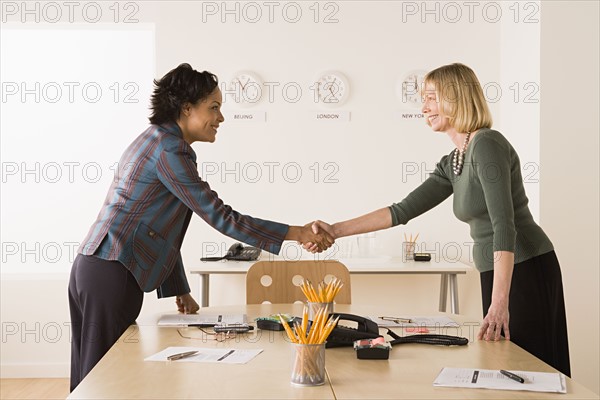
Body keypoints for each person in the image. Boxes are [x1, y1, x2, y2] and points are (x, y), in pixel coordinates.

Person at [68, 63, 333, 391]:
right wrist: (297, 233)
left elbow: (156, 227)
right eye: (214, 107)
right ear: (186, 108)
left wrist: (179, 288)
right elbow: (220, 216)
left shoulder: (156, 142)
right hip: (112, 272)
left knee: (91, 376)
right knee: (106, 382)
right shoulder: (169, 150)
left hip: (95, 268)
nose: (220, 118)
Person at [307, 63, 571, 377]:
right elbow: (401, 211)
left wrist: (500, 301)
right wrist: (334, 230)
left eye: (432, 98)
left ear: (456, 97)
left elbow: (504, 224)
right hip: (497, 270)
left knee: (531, 368)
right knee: (506, 366)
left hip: (525, 267)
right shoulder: (454, 160)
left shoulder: (486, 144)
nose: (424, 107)